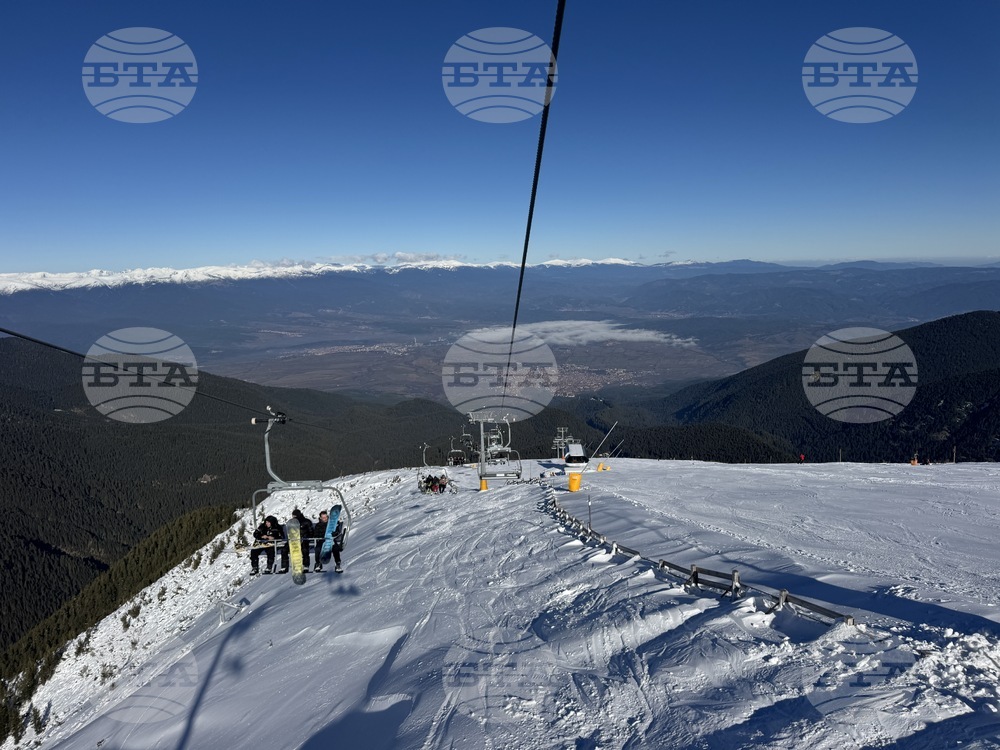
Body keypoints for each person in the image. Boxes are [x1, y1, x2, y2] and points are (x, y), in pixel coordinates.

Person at [311, 508, 345, 573]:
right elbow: (315, 534)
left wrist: (335, 533)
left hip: (331, 540)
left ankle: (338, 564)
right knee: (318, 548)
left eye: (326, 517)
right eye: (323, 517)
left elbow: (337, 531)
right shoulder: (318, 525)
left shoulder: (332, 523)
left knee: (335, 548)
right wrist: (320, 537)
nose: (325, 519)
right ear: (320, 518)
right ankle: (318, 563)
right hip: (322, 540)